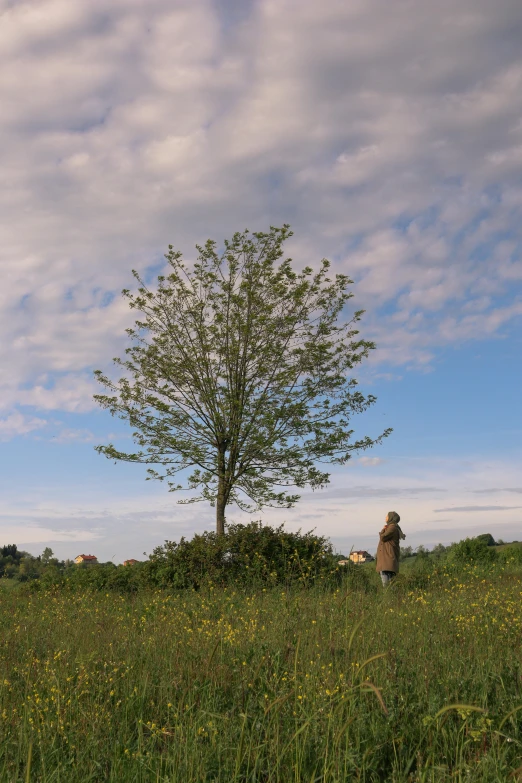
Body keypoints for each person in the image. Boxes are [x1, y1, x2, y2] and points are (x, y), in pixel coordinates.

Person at [376, 511, 406, 587]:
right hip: (387, 559)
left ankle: (390, 597)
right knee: (391, 584)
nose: (385, 517)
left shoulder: (392, 527)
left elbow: (383, 537)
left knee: (387, 586)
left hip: (387, 559)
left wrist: (383, 530)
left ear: (391, 518)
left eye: (387, 516)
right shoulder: (392, 527)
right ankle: (392, 597)